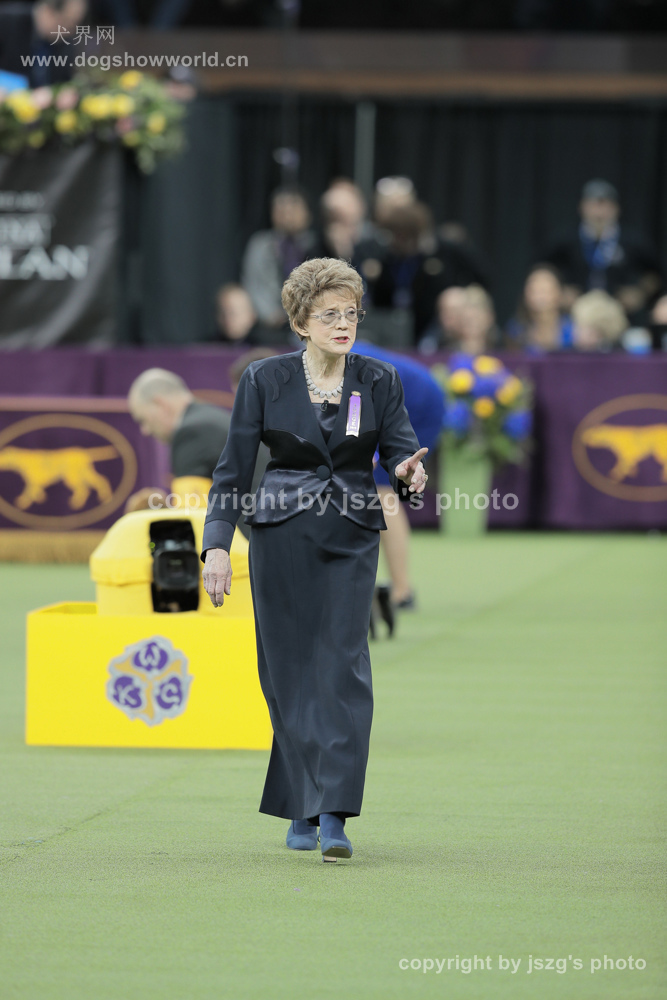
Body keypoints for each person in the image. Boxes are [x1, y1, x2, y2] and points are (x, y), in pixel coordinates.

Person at [201, 257, 427, 862]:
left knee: (342, 668)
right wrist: (217, 544)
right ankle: (300, 805)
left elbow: (402, 454)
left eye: (351, 313)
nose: (344, 324)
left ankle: (333, 815)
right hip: (279, 535)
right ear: (300, 322)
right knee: (287, 670)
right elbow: (231, 472)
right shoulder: (263, 379)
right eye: (329, 315)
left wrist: (409, 474)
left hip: (351, 534)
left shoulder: (379, 379)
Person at [351, 340, 445, 613]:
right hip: (400, 401)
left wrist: (367, 454)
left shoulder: (349, 366)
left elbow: (360, 412)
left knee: (382, 493)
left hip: (419, 407)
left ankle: (402, 591)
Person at [126, 365, 270, 535]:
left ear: (160, 404)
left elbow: (191, 518)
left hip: (247, 540)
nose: (145, 430)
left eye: (142, 419)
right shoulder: (209, 418)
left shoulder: (191, 432)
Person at [541, 179, 662, 323]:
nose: (599, 213)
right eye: (593, 206)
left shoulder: (633, 241)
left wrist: (639, 293)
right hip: (573, 317)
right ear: (581, 207)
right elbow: (542, 268)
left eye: (605, 206)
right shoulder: (565, 239)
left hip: (624, 317)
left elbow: (656, 274)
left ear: (616, 209)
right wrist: (560, 290)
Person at [241, 187, 316, 329]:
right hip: (270, 323)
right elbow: (253, 284)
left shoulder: (317, 244)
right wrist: (271, 315)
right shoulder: (261, 245)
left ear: (307, 213)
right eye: (281, 210)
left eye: (293, 209)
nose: (287, 216)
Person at [505, 264, 574, 352]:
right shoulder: (516, 331)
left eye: (545, 290)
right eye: (534, 290)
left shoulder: (575, 331)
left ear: (559, 293)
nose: (540, 296)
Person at [205, 283, 295, 347]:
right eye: (223, 312)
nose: (228, 318)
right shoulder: (207, 348)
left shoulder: (272, 347)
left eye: (234, 313)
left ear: (252, 315)